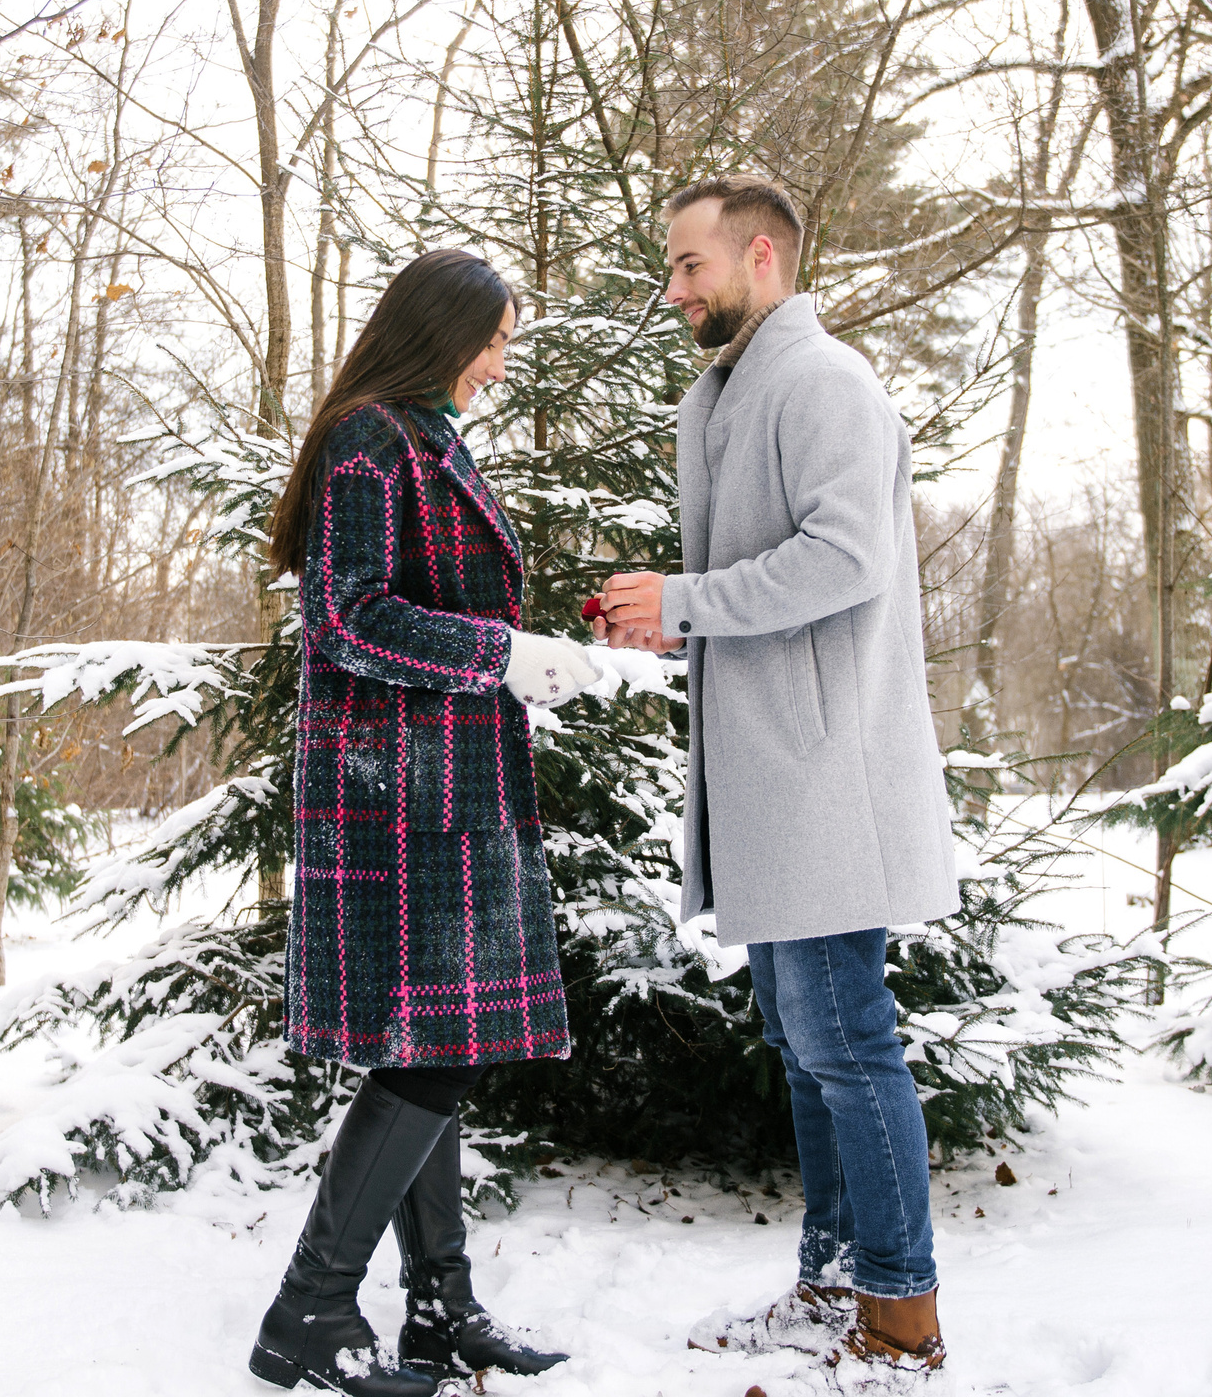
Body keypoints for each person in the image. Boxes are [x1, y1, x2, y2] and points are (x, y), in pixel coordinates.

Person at [595, 177, 957, 1380]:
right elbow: (758, 579)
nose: (673, 289)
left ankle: (900, 1315)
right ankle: (832, 1286)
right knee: (809, 1051)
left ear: (761, 257)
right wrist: (668, 618)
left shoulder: (823, 382)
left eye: (690, 264)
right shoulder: (729, 393)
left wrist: (689, 601)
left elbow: (847, 559)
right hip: (770, 777)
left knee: (847, 1043)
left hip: (824, 775)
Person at [250, 248, 597, 1397]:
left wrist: (526, 656)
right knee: (436, 1060)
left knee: (440, 1049)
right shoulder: (369, 439)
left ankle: (440, 1310)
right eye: (491, 341)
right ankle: (307, 1311)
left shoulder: (427, 438)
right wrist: (500, 655)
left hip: (445, 785)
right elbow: (346, 616)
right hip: (392, 798)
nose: (499, 363)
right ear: (440, 334)